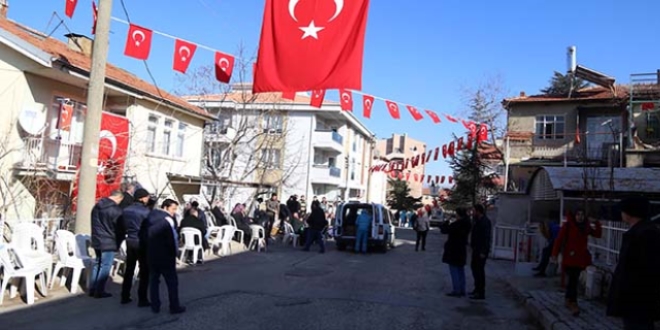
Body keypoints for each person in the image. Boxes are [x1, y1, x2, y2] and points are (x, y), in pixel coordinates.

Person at [607, 196, 660, 329]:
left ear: (630, 212)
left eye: (623, 210)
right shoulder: (640, 232)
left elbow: (642, 269)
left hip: (638, 299)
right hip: (634, 299)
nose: (621, 214)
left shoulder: (645, 235)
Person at [551, 209, 602, 316]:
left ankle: (568, 299)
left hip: (580, 259)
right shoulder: (568, 225)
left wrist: (596, 222)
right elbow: (559, 239)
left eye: (582, 214)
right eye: (578, 214)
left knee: (574, 279)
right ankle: (573, 302)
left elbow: (597, 234)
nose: (580, 217)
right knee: (573, 280)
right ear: (574, 216)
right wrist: (554, 254)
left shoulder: (586, 226)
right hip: (570, 257)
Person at [145, 199, 186, 314]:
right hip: (166, 255)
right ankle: (174, 306)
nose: (174, 212)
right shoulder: (168, 220)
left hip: (152, 253)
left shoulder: (150, 216)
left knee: (154, 280)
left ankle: (155, 306)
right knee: (171, 281)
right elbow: (173, 238)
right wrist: (175, 252)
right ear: (165, 207)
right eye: (173, 209)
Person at [89, 190, 124, 299]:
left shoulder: (97, 206)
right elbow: (120, 228)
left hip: (97, 239)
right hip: (109, 241)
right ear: (118, 198)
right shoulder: (115, 210)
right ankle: (99, 291)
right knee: (105, 266)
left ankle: (93, 289)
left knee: (97, 263)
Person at [119, 188, 151, 306]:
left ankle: (125, 295)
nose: (148, 199)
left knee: (129, 269)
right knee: (144, 271)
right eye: (147, 197)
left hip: (130, 240)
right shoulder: (145, 211)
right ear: (142, 198)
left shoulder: (126, 210)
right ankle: (142, 299)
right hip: (141, 242)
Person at [441, 207, 472, 297]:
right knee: (460, 270)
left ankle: (456, 290)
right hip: (461, 249)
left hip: (453, 249)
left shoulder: (457, 224)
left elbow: (444, 230)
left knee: (454, 270)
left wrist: (447, 220)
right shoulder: (467, 223)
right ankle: (462, 289)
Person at [469, 203, 492, 300]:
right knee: (474, 268)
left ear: (478, 211)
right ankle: (476, 289)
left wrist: (484, 251)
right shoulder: (477, 220)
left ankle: (480, 292)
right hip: (476, 249)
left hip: (481, 250)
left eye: (473, 210)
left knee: (479, 271)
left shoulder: (485, 221)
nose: (472, 212)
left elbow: (486, 238)